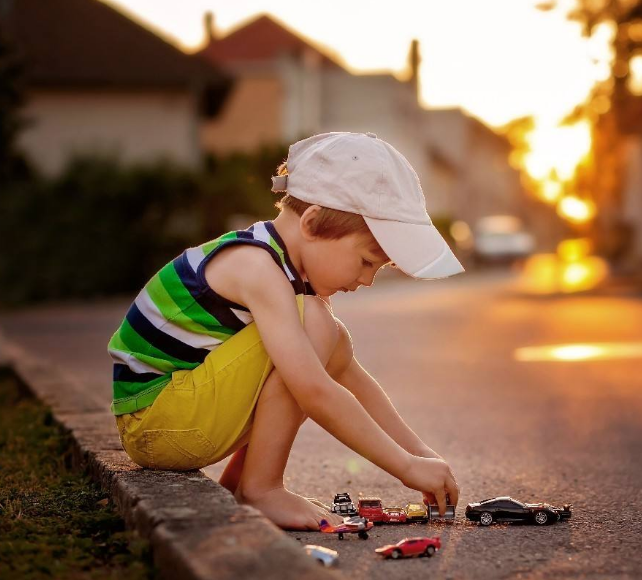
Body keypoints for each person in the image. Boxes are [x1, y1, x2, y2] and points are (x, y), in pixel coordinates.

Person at [107, 132, 463, 530]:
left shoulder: (280, 269)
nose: (367, 281)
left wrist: (421, 455)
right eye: (366, 262)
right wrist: (405, 467)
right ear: (311, 223)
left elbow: (351, 378)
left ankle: (247, 483)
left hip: (176, 418)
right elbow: (313, 391)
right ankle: (261, 489)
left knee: (330, 337)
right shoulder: (256, 267)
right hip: (161, 424)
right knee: (316, 324)